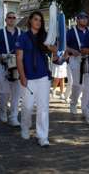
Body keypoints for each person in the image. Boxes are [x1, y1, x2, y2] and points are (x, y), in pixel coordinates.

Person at [16, 11, 57, 147]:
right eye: (35, 19)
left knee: (43, 107)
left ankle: (42, 136)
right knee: (27, 106)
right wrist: (22, 76)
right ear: (30, 21)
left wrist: (49, 46)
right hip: (28, 77)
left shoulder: (45, 36)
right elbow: (19, 58)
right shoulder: (23, 37)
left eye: (40, 20)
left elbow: (56, 51)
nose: (38, 22)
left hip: (43, 76)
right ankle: (25, 127)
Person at [0, 12, 22, 126]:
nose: (12, 19)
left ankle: (14, 117)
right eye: (10, 17)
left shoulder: (21, 33)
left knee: (16, 93)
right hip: (3, 64)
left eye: (14, 18)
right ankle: (3, 111)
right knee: (4, 92)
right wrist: (0, 56)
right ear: (6, 20)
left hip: (17, 65)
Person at [66, 12, 89, 114]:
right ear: (77, 20)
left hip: (88, 59)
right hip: (75, 59)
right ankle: (73, 103)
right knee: (77, 84)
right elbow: (64, 46)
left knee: (87, 85)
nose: (84, 20)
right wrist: (72, 50)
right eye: (82, 18)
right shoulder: (71, 32)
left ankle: (85, 107)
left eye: (86, 18)